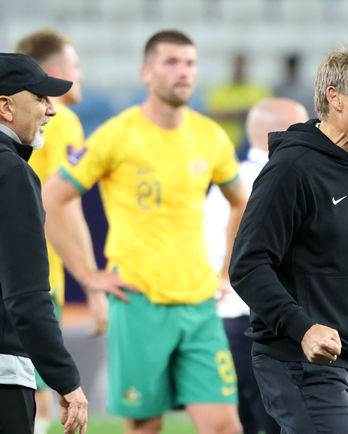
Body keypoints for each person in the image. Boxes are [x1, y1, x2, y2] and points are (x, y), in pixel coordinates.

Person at [42, 30, 247, 434]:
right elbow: (50, 198)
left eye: (189, 63)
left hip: (199, 305)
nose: (183, 72)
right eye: (171, 62)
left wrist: (227, 270)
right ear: (146, 72)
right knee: (144, 427)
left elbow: (243, 199)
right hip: (138, 305)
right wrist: (86, 275)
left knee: (225, 426)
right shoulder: (118, 134)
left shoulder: (210, 136)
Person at [229, 44, 348, 434]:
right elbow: (248, 265)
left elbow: (346, 268)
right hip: (297, 362)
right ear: (335, 98)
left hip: (344, 362)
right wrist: (303, 328)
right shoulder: (292, 168)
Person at [204, 97, 309, 434]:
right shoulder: (272, 181)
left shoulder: (228, 183)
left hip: (228, 323)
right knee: (281, 422)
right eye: (303, 128)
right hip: (261, 323)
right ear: (279, 133)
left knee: (244, 422)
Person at [14, 29, 101, 434]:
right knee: (35, 389)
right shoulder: (62, 119)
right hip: (35, 277)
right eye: (75, 67)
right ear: (53, 72)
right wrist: (93, 285)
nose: (80, 76)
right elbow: (64, 210)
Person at [0, 52, 88, 434]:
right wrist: (64, 378)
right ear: (5, 106)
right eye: (40, 98)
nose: (51, 110)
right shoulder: (11, 171)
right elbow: (25, 292)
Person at [205, 53, 272, 149]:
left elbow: (266, 115)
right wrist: (242, 113)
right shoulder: (219, 89)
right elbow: (213, 114)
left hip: (253, 144)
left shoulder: (259, 90)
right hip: (226, 142)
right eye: (237, 65)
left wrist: (230, 113)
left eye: (242, 65)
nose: (239, 69)